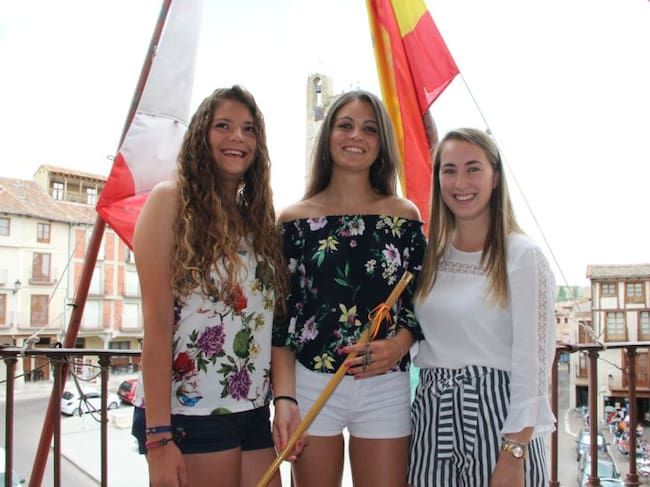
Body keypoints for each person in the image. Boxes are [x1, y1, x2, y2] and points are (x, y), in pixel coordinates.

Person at [131, 85, 287, 487]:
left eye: (249, 129)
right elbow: (157, 324)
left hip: (252, 408)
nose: (238, 137)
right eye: (223, 126)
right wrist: (158, 437)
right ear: (202, 134)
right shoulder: (169, 201)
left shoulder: (256, 220)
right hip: (190, 413)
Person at [271, 90, 426, 487]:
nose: (356, 136)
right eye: (345, 125)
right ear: (328, 136)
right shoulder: (292, 221)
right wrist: (284, 399)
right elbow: (281, 321)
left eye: (369, 129)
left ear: (382, 143)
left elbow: (421, 303)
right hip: (311, 382)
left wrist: (399, 345)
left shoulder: (405, 217)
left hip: (385, 384)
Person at [408, 128, 556, 487]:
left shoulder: (523, 256)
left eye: (473, 168)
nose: (460, 182)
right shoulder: (432, 257)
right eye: (449, 170)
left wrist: (514, 452)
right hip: (432, 416)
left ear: (495, 177)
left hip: (498, 419)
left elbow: (533, 364)